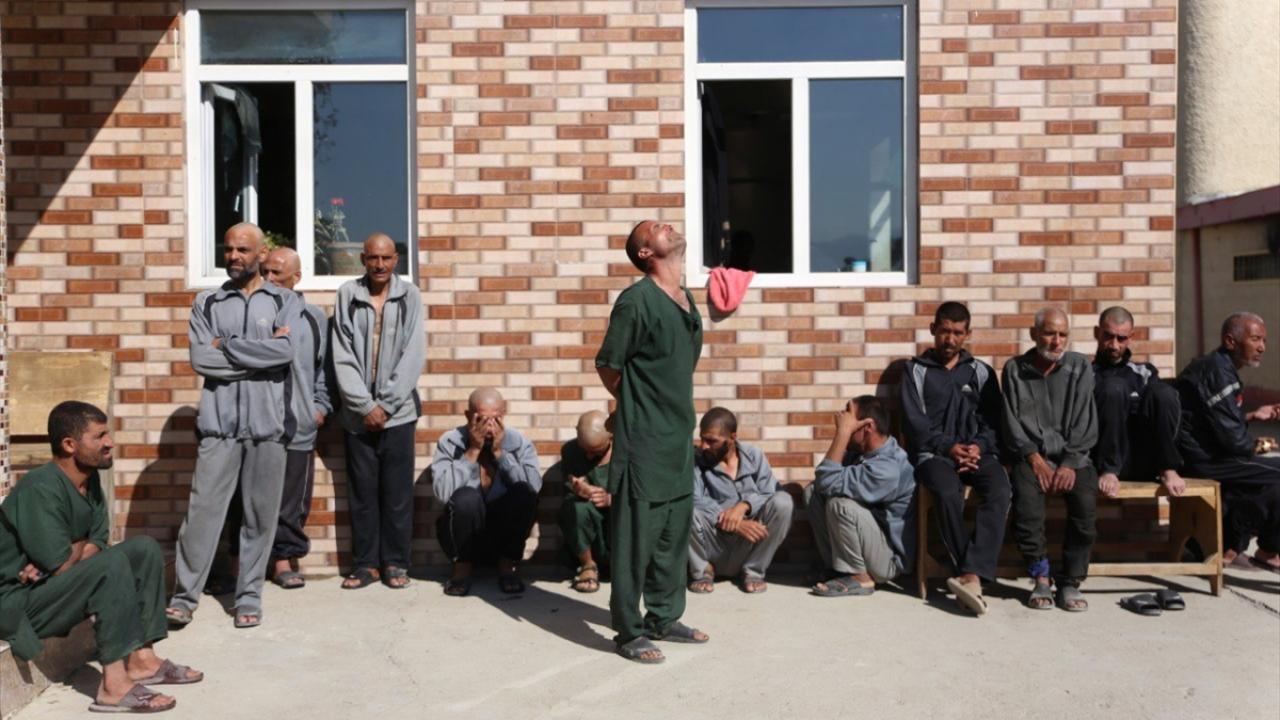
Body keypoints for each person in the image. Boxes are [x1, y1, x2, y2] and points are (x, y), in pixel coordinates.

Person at [0, 402, 202, 713]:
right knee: (110, 564)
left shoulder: (89, 480)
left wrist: (73, 549)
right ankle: (113, 687)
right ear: (70, 445)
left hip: (49, 587)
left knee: (143, 549)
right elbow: (62, 563)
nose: (110, 443)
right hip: (20, 603)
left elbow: (98, 539)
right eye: (99, 436)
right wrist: (75, 552)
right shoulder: (39, 488)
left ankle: (142, 660)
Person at [167, 222, 302, 629]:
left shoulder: (285, 300)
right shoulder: (207, 303)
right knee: (202, 515)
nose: (233, 257)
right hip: (219, 428)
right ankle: (184, 598)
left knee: (260, 518)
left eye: (242, 250)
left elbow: (285, 353)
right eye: (228, 249)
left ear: (261, 254)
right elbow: (200, 359)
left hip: (268, 428)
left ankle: (249, 598)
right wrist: (260, 357)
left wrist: (226, 346)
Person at [596, 219, 708, 664]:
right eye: (655, 229)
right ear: (646, 253)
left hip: (679, 437)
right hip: (643, 440)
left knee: (671, 535)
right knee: (635, 539)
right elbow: (608, 364)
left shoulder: (686, 299)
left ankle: (664, 617)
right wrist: (636, 403)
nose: (667, 225)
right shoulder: (636, 301)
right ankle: (629, 630)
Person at [900, 301, 1009, 615]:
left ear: (968, 334)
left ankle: (970, 574)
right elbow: (914, 425)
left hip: (976, 454)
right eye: (945, 331)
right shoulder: (915, 371)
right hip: (933, 456)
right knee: (948, 492)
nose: (950, 339)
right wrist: (948, 448)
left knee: (1000, 489)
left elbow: (993, 421)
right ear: (933, 330)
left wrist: (977, 447)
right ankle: (970, 573)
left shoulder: (980, 372)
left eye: (958, 333)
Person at [332, 233, 425, 590]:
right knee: (363, 494)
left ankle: (396, 563)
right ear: (363, 260)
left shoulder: (410, 296)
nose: (380, 265)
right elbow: (341, 354)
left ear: (396, 259)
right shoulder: (348, 294)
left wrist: (385, 405)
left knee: (397, 494)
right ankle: (366, 565)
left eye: (386, 258)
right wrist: (365, 406)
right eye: (373, 258)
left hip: (398, 414)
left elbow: (413, 353)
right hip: (358, 417)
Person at [1001, 307, 1099, 612]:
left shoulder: (1080, 367)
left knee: (1085, 507)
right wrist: (1034, 458)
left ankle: (1070, 581)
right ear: (1034, 334)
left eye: (1062, 334)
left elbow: (1085, 420)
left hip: (1074, 457)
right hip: (1031, 457)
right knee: (1026, 506)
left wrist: (1069, 463)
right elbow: (1011, 422)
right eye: (1049, 333)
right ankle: (1040, 577)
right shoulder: (1014, 370)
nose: (1057, 341)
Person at [1175, 312, 1280, 573]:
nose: (1262, 347)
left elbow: (1216, 422)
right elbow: (1234, 440)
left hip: (1212, 454)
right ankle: (1256, 548)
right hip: (1204, 460)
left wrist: (1252, 416)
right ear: (1230, 341)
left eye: (1264, 340)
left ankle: (1232, 546)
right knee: (1272, 474)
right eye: (1255, 339)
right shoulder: (1217, 372)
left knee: (1266, 479)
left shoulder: (1221, 368)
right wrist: (1256, 446)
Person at [261, 247, 331, 587]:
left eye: (277, 273)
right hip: (256, 424)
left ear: (296, 277)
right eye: (265, 272)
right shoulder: (251, 312)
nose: (269, 279)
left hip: (298, 424)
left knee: (291, 500)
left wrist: (319, 407)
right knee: (244, 497)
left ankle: (284, 561)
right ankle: (236, 563)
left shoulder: (314, 318)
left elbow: (323, 370)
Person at [431, 388, 542, 596]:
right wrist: (472, 451)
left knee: (523, 493)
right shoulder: (450, 442)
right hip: (464, 536)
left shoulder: (519, 442)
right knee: (466, 498)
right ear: (468, 416)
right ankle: (461, 571)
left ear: (504, 414)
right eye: (481, 419)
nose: (489, 425)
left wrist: (500, 454)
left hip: (502, 534)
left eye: (496, 418)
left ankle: (507, 567)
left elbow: (532, 489)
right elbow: (442, 493)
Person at [806, 396, 916, 597]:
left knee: (840, 505)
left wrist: (842, 434)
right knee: (813, 493)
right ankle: (839, 569)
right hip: (870, 542)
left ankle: (860, 577)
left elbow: (827, 480)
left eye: (849, 422)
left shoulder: (887, 468)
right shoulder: (863, 452)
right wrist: (845, 434)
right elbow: (822, 484)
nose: (843, 425)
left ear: (867, 427)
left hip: (888, 560)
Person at [687, 407, 794, 594]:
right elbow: (693, 499)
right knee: (684, 509)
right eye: (702, 439)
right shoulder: (696, 460)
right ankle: (703, 571)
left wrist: (745, 506)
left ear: (732, 438)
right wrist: (732, 522)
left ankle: (753, 571)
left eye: (711, 441)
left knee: (783, 502)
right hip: (713, 544)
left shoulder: (754, 456)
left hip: (749, 544)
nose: (704, 446)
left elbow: (770, 492)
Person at [1092, 306, 1185, 497]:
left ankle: (1168, 468)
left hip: (1144, 459)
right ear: (1097, 333)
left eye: (1121, 338)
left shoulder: (1145, 373)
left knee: (1163, 392)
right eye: (1108, 336)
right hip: (1102, 462)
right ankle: (1109, 469)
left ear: (1131, 337)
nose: (1114, 345)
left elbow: (1161, 412)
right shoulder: (1086, 374)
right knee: (1113, 387)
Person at [557, 410, 614, 593]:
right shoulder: (570, 451)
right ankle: (588, 565)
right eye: (585, 450)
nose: (589, 456)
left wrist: (612, 499)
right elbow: (570, 483)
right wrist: (579, 490)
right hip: (590, 524)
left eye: (596, 451)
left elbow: (642, 494)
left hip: (617, 526)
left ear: (611, 437)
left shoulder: (628, 452)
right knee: (574, 506)